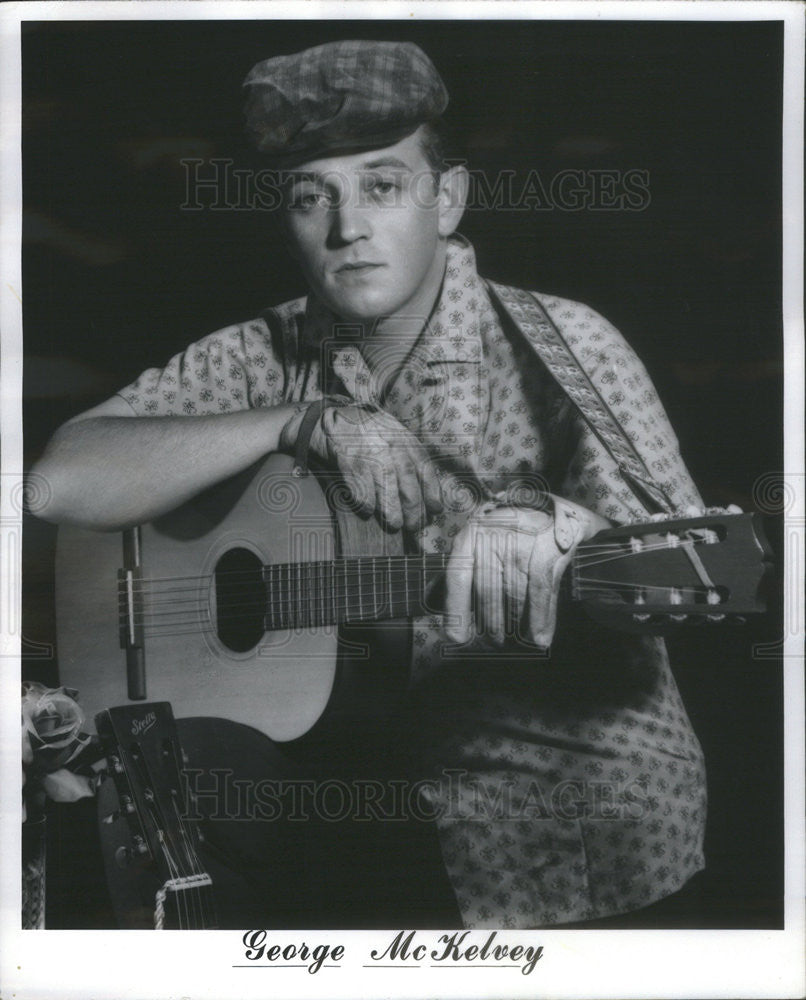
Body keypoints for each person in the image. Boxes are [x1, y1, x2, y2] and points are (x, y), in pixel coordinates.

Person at [31, 39, 712, 929]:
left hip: (554, 819)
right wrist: (298, 421)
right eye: (312, 196)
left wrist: (565, 523)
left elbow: (688, 558)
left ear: (450, 197)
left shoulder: (565, 345)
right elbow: (56, 484)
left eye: (383, 185)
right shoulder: (259, 354)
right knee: (157, 796)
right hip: (344, 818)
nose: (346, 226)